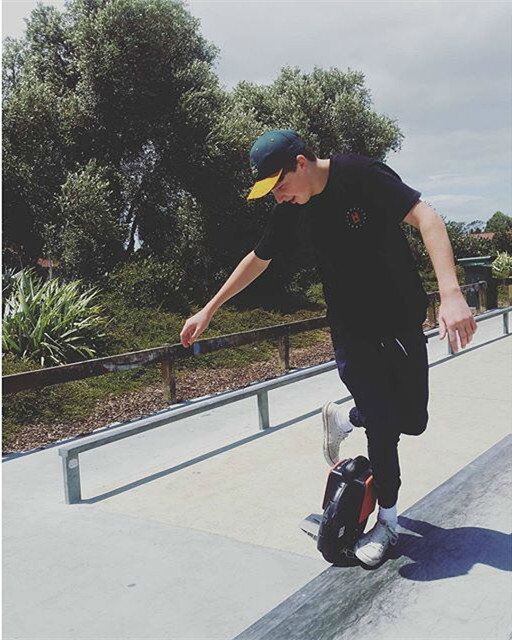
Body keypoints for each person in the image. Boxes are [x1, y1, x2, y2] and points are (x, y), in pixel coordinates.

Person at [180, 129, 477, 567]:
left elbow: (427, 218)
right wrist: (209, 309)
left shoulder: (361, 175)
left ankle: (344, 417)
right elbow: (258, 258)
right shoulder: (292, 208)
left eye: (280, 185)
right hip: (353, 332)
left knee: (413, 421)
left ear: (301, 163)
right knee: (382, 425)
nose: (278, 197)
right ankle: (388, 521)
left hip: (400, 320)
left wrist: (451, 293)